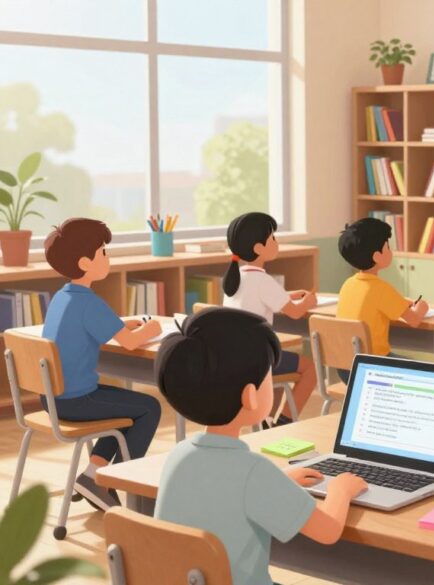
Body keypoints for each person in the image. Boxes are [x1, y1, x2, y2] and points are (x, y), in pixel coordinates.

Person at [154, 307, 367, 585]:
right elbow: (327, 531)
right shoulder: (253, 472)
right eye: (269, 374)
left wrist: (278, 482)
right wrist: (341, 489)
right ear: (250, 396)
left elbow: (225, 488)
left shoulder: (178, 455)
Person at [41, 218, 163, 510]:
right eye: (103, 253)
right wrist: (153, 328)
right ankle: (112, 484)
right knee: (149, 408)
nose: (108, 258)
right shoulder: (89, 302)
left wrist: (123, 324)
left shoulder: (63, 296)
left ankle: (93, 475)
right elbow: (131, 343)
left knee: (126, 412)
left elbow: (96, 326)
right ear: (85, 262)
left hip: (51, 398)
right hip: (76, 401)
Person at [222, 212, 318, 427]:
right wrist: (308, 302)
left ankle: (265, 420)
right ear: (258, 248)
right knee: (310, 369)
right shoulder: (263, 280)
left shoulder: (234, 280)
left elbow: (262, 299)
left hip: (237, 358)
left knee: (277, 359)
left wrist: (287, 296)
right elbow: (294, 313)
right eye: (272, 239)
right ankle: (285, 420)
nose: (277, 243)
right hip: (259, 361)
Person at [335, 217, 428, 381]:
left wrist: (400, 304)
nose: (391, 252)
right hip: (373, 367)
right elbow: (414, 320)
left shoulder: (348, 284)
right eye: (388, 247)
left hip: (344, 369)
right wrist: (422, 307)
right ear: (377, 256)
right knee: (424, 372)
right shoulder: (380, 288)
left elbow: (374, 305)